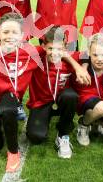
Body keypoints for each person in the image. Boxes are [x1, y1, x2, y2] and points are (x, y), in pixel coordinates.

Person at [0, 12, 42, 172]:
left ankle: (13, 152)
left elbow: (55, 49)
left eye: (15, 32)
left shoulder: (31, 52)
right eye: (5, 32)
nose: (10, 36)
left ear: (22, 35)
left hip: (10, 96)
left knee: (8, 109)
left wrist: (77, 65)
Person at [26, 26, 90, 159]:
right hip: (41, 103)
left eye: (59, 49)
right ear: (43, 46)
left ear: (65, 48)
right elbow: (17, 46)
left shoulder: (70, 56)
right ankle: (44, 118)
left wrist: (79, 66)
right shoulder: (35, 55)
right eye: (50, 48)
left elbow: (88, 54)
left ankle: (63, 135)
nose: (54, 53)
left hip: (62, 102)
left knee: (71, 96)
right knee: (36, 137)